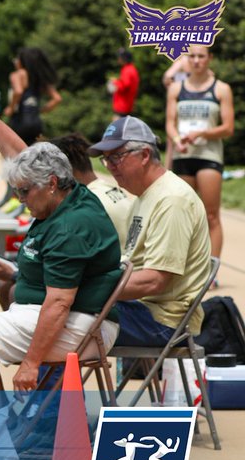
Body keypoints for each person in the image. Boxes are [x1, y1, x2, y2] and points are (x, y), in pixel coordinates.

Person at [0, 143, 121, 460]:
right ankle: (5, 432)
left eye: (24, 192)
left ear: (51, 183)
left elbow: (59, 304)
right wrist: (16, 272)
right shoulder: (68, 196)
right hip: (67, 314)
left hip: (84, 326)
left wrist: (31, 364)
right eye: (15, 192)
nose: (20, 201)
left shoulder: (71, 226)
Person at [87, 116, 212, 347]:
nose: (111, 166)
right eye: (106, 160)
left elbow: (155, 281)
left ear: (144, 155)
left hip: (163, 322)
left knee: (60, 317)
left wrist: (86, 286)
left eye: (116, 157)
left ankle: (44, 384)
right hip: (144, 311)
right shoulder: (145, 195)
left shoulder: (171, 200)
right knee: (52, 309)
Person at [165, 45, 234, 262]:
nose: (196, 61)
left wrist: (203, 132)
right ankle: (183, 267)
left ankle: (211, 270)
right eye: (191, 56)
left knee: (211, 215)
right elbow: (169, 124)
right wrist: (177, 140)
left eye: (201, 56)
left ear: (209, 58)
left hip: (209, 156)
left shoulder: (221, 89)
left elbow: (228, 128)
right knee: (181, 214)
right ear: (186, 59)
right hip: (183, 156)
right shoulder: (176, 89)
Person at [5, 47, 62, 145]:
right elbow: (57, 98)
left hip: (20, 120)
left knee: (14, 153)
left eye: (16, 59)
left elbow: (18, 91)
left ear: (22, 61)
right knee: (33, 154)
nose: (15, 61)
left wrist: (10, 108)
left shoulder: (18, 74)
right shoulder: (39, 77)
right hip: (36, 123)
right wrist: (41, 110)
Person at [108, 48, 139, 118]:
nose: (118, 59)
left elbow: (125, 85)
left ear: (124, 59)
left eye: (120, 57)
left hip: (122, 107)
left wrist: (114, 82)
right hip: (127, 106)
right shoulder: (132, 69)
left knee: (115, 128)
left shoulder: (127, 70)